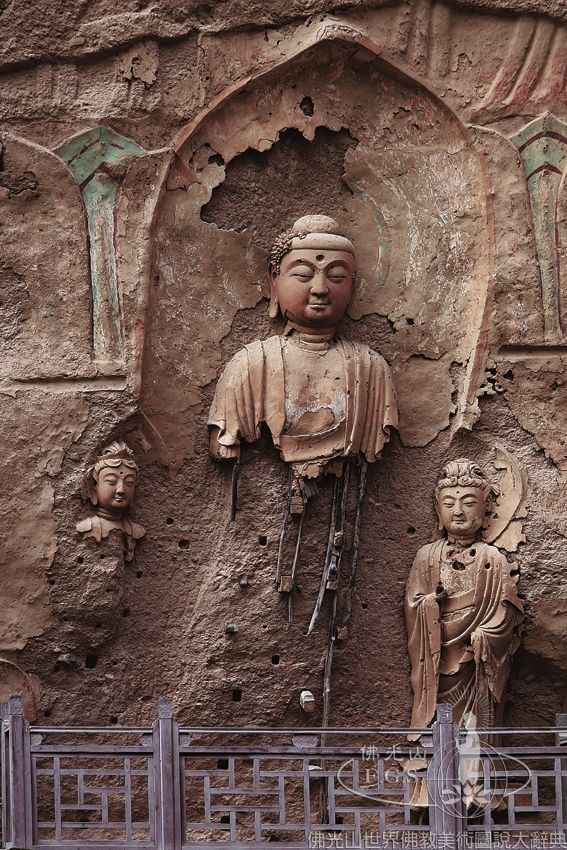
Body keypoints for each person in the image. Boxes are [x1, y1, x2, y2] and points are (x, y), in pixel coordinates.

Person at [208, 214, 398, 483]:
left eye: (337, 276)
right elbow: (222, 447)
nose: (320, 289)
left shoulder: (371, 370)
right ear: (274, 283)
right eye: (302, 275)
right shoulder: (250, 365)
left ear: (352, 286)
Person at [405, 459, 524, 733]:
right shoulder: (427, 557)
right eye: (449, 504)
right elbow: (413, 605)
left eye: (469, 503)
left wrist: (484, 637)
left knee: (476, 727)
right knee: (438, 724)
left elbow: (506, 614)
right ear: (438, 509)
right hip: (436, 658)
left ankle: (478, 769)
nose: (458, 512)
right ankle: (433, 762)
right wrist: (431, 603)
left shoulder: (493, 560)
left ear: (486, 510)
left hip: (475, 658)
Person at [77, 440, 145, 561]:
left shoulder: (136, 531)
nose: (121, 490)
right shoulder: (86, 528)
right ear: (94, 486)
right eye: (111, 482)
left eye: (129, 483)